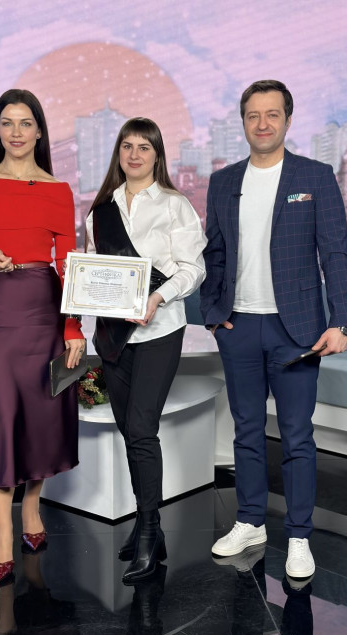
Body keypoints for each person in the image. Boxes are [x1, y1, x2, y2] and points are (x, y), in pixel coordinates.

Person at [200, 80, 347, 579]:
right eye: (253, 115)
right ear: (243, 122)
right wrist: (213, 313)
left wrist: (342, 321)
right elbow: (214, 252)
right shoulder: (223, 181)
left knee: (296, 436)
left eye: (272, 114)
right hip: (239, 326)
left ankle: (299, 535)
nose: (262, 124)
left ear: (288, 120)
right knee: (246, 430)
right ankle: (250, 521)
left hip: (298, 330)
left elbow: (335, 253)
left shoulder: (315, 176)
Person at [0, 89, 85, 583]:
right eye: (6, 123)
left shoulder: (58, 190)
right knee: (4, 413)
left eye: (25, 123)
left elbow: (67, 264)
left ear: (39, 131)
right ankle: (3, 530)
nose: (15, 132)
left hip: (44, 306)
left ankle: (32, 506)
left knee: (42, 412)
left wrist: (72, 326)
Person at [86, 117, 206, 583]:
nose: (134, 155)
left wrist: (158, 296)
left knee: (140, 429)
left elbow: (192, 269)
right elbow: (94, 269)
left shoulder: (175, 205)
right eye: (127, 146)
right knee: (128, 431)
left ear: (157, 154)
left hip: (160, 330)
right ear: (118, 152)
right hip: (113, 334)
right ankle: (144, 526)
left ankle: (151, 533)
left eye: (144, 147)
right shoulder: (99, 211)